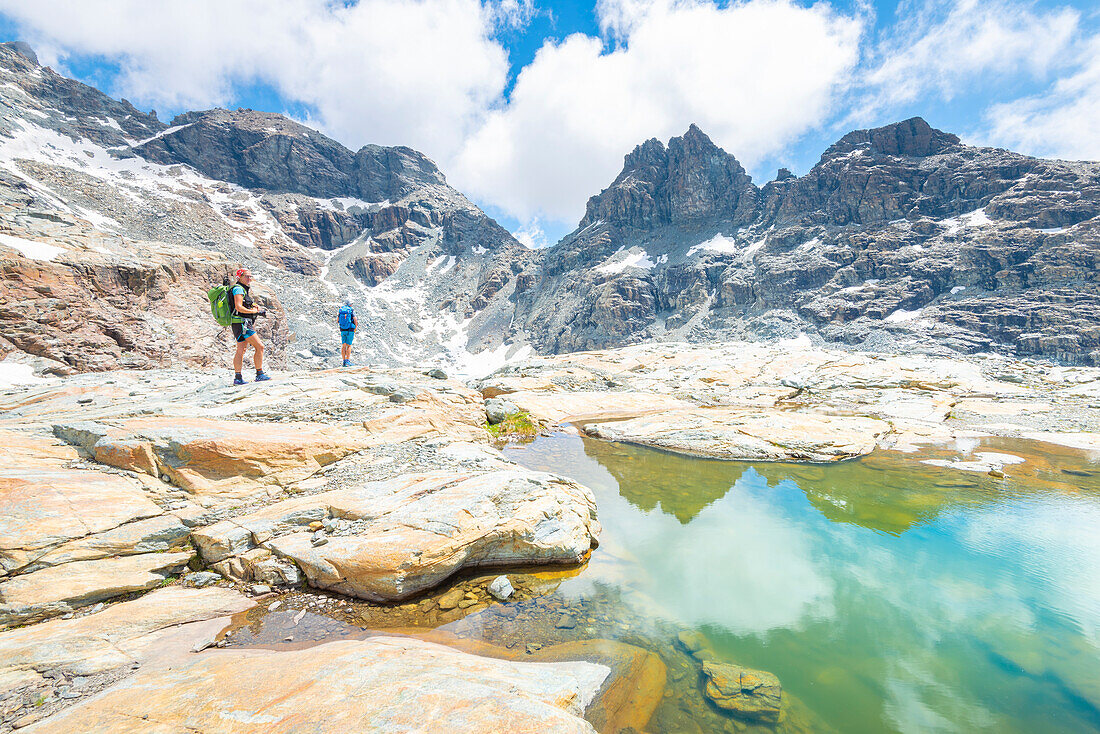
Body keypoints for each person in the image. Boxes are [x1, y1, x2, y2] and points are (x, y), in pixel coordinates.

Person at [229, 268, 270, 385]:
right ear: (239, 277)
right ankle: (259, 374)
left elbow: (244, 304)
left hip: (238, 323)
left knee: (241, 349)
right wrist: (253, 312)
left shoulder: (241, 289)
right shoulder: (238, 289)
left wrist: (254, 306)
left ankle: (238, 378)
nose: (249, 279)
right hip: (243, 323)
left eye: (250, 276)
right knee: (260, 347)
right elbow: (238, 307)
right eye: (246, 276)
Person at [338, 298, 358, 367]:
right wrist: (355, 328)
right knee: (349, 345)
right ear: (350, 304)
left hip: (343, 329)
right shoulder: (351, 310)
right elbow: (355, 320)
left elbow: (338, 320)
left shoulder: (341, 310)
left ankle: (343, 361)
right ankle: (347, 361)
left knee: (343, 345)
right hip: (350, 329)